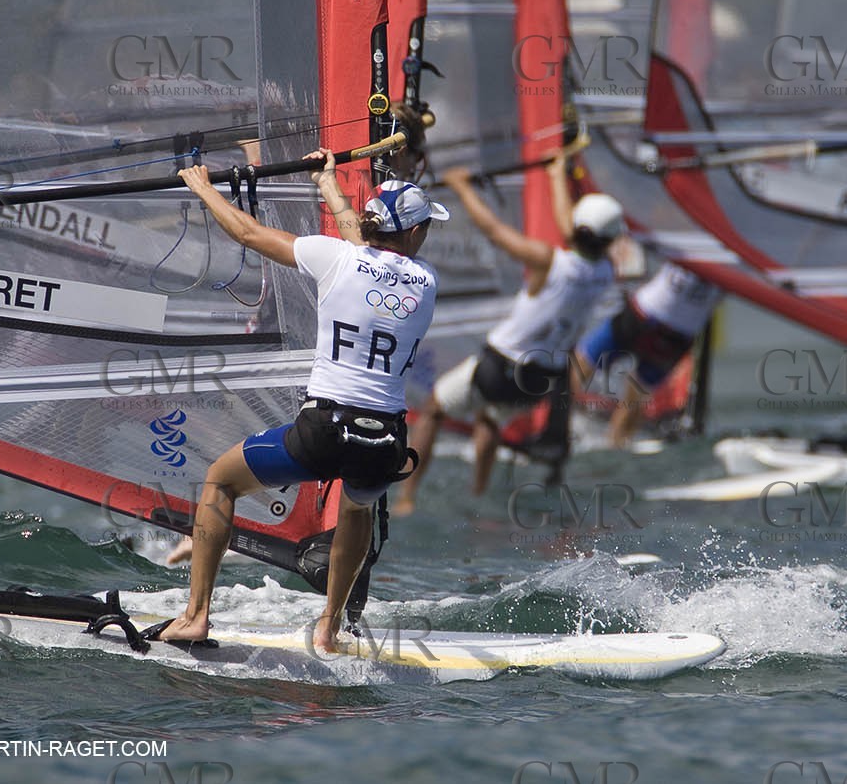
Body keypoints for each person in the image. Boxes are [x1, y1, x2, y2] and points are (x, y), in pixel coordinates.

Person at [155, 150, 445, 653]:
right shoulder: (426, 282)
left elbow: (248, 234)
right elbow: (367, 245)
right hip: (386, 445)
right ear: (414, 235)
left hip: (324, 432)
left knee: (220, 481)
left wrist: (202, 189)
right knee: (356, 509)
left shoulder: (335, 258)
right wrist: (328, 184)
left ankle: (196, 617)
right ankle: (328, 629)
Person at [396, 157, 619, 512]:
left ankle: (407, 497)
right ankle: (479, 494)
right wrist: (555, 172)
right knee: (489, 418)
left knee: (435, 409)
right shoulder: (608, 270)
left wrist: (461, 187)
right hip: (541, 381)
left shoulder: (549, 261)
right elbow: (570, 227)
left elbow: (495, 233)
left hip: (500, 366)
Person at [573, 259, 719, 448]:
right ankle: (554, 424)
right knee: (582, 368)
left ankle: (613, 449)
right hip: (651, 319)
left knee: (630, 399)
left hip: (660, 327)